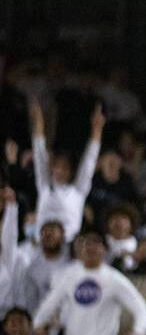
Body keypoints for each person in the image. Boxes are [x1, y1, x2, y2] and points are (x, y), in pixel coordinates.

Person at [33, 225, 146, 335]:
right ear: (79, 249)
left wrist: (138, 333)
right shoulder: (69, 277)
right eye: (86, 243)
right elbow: (48, 304)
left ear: (105, 250)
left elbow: (142, 310)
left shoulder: (114, 279)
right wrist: (38, 325)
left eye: (96, 243)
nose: (90, 247)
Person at [31, 97, 104, 241]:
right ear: (51, 168)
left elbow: (89, 161)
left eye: (65, 167)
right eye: (56, 166)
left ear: (71, 172)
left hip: (68, 250)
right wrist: (38, 121)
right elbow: (39, 153)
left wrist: (97, 130)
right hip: (42, 248)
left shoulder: (78, 190)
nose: (60, 171)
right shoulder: (44, 185)